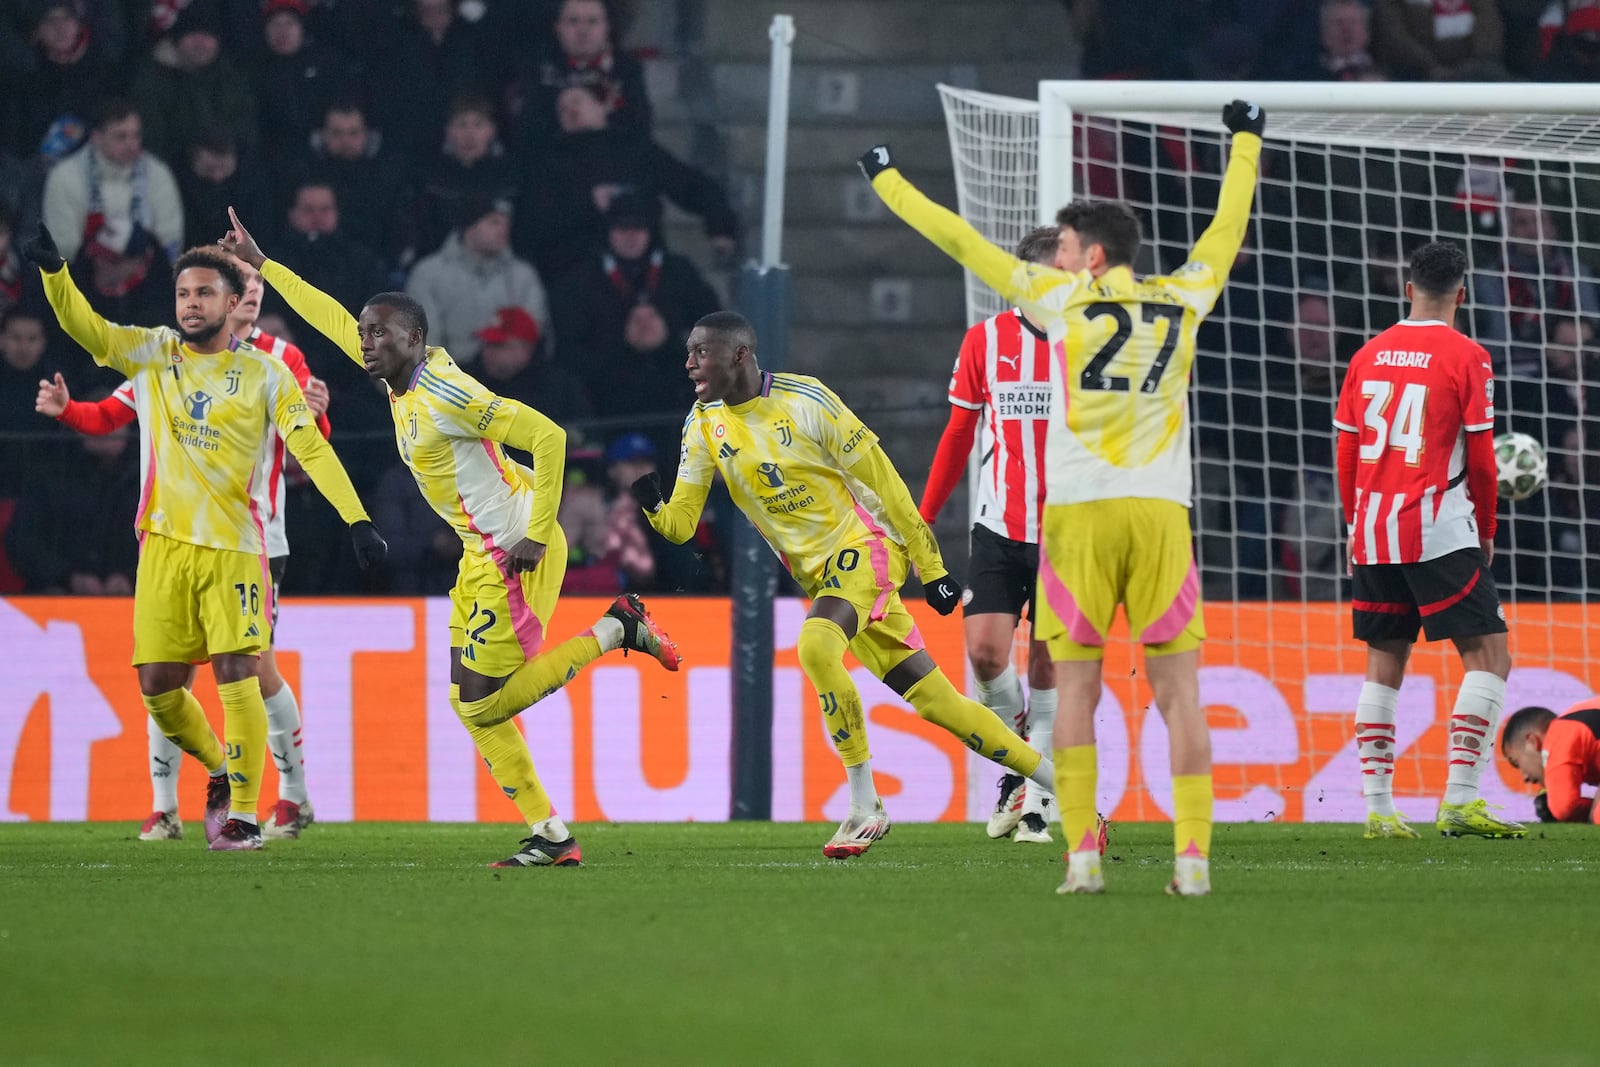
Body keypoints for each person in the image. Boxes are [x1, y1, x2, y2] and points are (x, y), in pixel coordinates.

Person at [862, 99, 1269, 896]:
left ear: (1089, 255)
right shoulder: (1184, 298)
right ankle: (1192, 860)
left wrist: (888, 181)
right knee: (1179, 693)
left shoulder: (1063, 304)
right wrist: (1245, 140)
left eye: (1069, 246)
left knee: (1074, 689)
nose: (1060, 258)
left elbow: (959, 238)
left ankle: (1081, 855)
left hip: (1076, 518)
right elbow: (1227, 226)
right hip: (1158, 516)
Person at [223, 206, 681, 868]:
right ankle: (549, 833)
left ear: (413, 336)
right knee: (468, 703)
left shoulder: (446, 393)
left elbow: (549, 437)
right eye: (365, 334)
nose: (365, 343)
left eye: (378, 334)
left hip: (516, 548)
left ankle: (617, 627)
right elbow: (328, 316)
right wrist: (266, 266)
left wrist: (532, 532)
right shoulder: (398, 374)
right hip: (481, 549)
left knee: (486, 702)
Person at [632, 310, 1054, 859]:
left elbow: (886, 483)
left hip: (867, 550)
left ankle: (864, 805)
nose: (689, 363)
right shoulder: (702, 424)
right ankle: (1061, 784)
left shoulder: (808, 400)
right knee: (938, 703)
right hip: (822, 578)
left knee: (814, 644)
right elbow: (682, 525)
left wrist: (932, 568)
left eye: (700, 352)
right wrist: (652, 508)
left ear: (739, 355)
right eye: (688, 352)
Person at [20, 221, 384, 851]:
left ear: (233, 302)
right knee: (158, 688)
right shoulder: (153, 352)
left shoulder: (269, 373)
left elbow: (312, 451)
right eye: (183, 293)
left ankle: (245, 814)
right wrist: (56, 272)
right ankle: (219, 769)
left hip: (240, 550)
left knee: (239, 672)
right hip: (162, 547)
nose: (191, 303)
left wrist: (356, 518)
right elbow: (88, 329)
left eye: (204, 293)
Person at [1332, 240, 1524, 841]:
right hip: (1438, 525)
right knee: (1490, 656)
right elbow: (1485, 463)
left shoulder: (1368, 354)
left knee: (1384, 662)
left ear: (1406, 288)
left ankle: (1379, 811)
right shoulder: (1469, 356)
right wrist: (1486, 530)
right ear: (1461, 294)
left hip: (1372, 527)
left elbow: (1344, 450)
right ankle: (1461, 801)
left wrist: (1352, 522)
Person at [919, 225, 1060, 844]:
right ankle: (1020, 759)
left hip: (1069, 532)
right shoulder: (986, 341)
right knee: (983, 654)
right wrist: (922, 517)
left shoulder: (1090, 341)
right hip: (1000, 527)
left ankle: (1039, 797)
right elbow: (957, 435)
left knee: (1053, 660)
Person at [1501, 699, 1600, 824]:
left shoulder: (1559, 735)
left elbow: (1564, 808)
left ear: (1532, 742)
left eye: (1516, 762)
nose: (1525, 777)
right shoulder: (1576, 723)